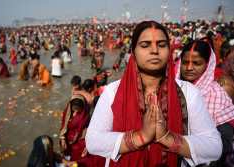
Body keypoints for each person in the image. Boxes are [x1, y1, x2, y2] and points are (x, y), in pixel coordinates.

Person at [86, 21, 222, 167]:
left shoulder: (188, 92)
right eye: (145, 45)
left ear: (169, 50)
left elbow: (214, 147)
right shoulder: (112, 92)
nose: (154, 50)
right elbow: (93, 141)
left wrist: (167, 137)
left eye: (162, 45)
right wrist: (141, 137)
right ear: (133, 51)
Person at [177, 40, 234, 166]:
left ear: (208, 65)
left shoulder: (217, 94)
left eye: (196, 63)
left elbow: (225, 140)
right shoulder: (172, 88)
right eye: (185, 62)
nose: (189, 68)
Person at [59, 95, 105, 167]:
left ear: (82, 107)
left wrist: (87, 144)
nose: (75, 112)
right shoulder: (67, 112)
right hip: (67, 141)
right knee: (66, 158)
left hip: (80, 141)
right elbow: (63, 125)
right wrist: (62, 138)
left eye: (78, 110)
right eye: (74, 109)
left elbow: (90, 131)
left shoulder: (87, 115)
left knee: (78, 161)